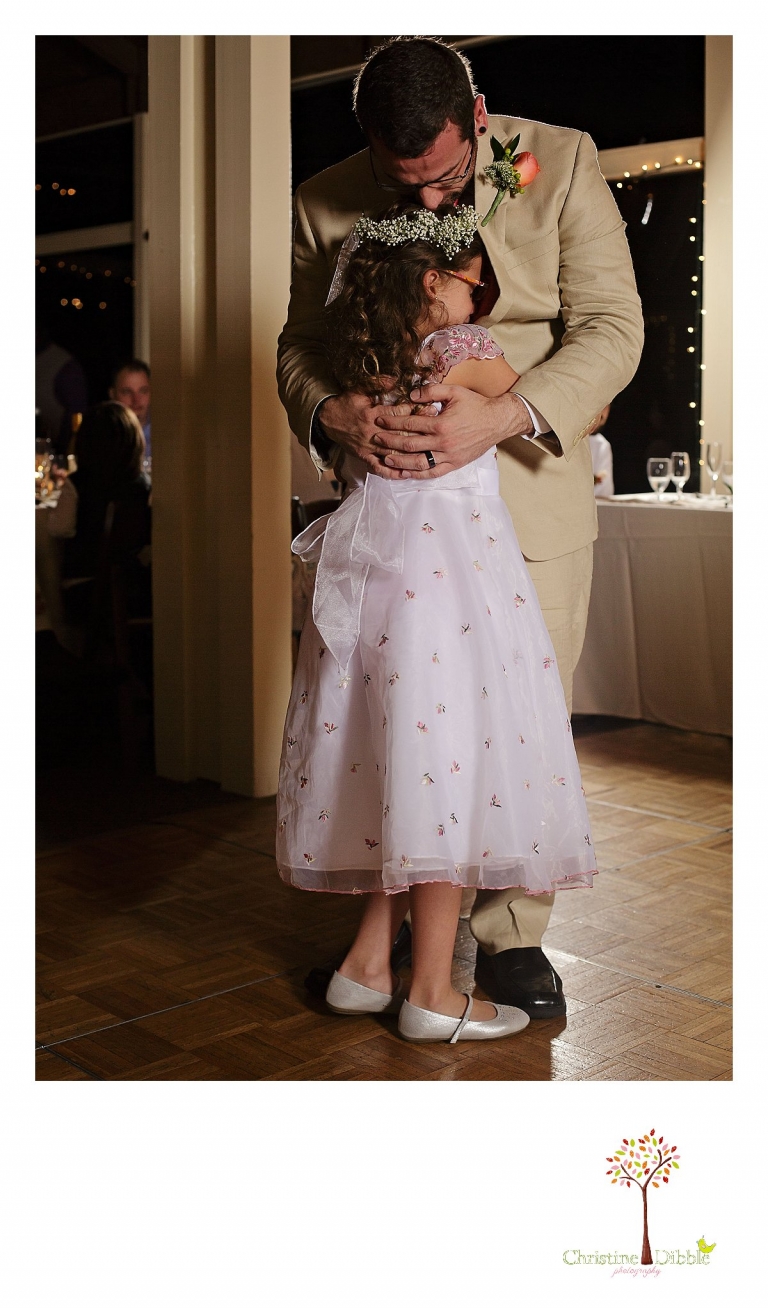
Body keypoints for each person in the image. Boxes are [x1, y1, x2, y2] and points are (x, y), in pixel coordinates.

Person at [277, 36, 643, 1017]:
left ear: (476, 119)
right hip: (389, 520)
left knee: (517, 730)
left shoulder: (560, 162)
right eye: (404, 183)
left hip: (519, 500)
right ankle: (386, 947)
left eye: (443, 178)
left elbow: (613, 327)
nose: (430, 204)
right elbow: (300, 348)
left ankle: (510, 940)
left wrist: (508, 411)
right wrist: (333, 413)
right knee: (391, 726)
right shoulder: (322, 200)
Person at [47, 401, 151, 628]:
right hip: (134, 589)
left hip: (86, 590)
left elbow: (58, 528)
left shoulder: (77, 485)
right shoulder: (142, 486)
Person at [109, 359, 152, 464]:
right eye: (127, 392)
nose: (136, 400)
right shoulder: (102, 437)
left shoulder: (165, 435)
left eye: (143, 391)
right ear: (112, 394)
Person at [589, 403, 614, 497]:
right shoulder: (558, 441)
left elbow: (604, 495)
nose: (597, 420)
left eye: (606, 404)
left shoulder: (601, 445)